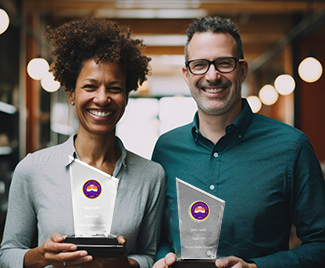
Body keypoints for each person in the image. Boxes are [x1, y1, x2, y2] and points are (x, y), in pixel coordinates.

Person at [152, 16, 325, 268]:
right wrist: (162, 257)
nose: (212, 76)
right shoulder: (166, 149)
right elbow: (158, 236)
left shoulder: (292, 147)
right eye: (199, 65)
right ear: (186, 75)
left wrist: (257, 267)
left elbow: (320, 244)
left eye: (224, 63)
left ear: (242, 70)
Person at [0, 16, 165, 268]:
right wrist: (42, 255)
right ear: (71, 94)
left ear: (127, 96)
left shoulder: (151, 176)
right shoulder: (33, 168)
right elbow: (8, 253)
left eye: (114, 88)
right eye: (90, 86)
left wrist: (124, 265)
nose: (102, 98)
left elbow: (149, 255)